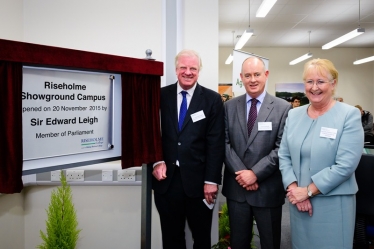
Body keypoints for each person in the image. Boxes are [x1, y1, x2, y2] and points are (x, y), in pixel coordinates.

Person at [279, 58, 364, 249]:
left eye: (320, 81)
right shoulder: (294, 115)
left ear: (333, 84)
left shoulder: (348, 115)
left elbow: (345, 165)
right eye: (309, 82)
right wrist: (294, 190)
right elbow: (284, 155)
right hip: (298, 203)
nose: (314, 87)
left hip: (333, 204)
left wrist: (308, 191)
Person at [151, 49, 225, 249]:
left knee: (201, 239)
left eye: (193, 68)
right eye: (183, 67)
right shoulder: (160, 96)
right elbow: (151, 134)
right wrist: (157, 161)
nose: (188, 72)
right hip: (167, 183)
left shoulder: (212, 100)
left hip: (200, 184)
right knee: (171, 238)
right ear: (176, 70)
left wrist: (211, 180)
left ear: (199, 71)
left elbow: (216, 143)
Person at [223, 56, 291, 249]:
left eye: (257, 74)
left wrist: (255, 174)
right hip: (237, 190)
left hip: (267, 189)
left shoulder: (283, 108)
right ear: (241, 78)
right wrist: (243, 175)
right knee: (238, 243)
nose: (252, 79)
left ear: (266, 75)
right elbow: (224, 143)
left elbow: (282, 148)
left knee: (270, 243)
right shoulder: (229, 107)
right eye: (247, 75)